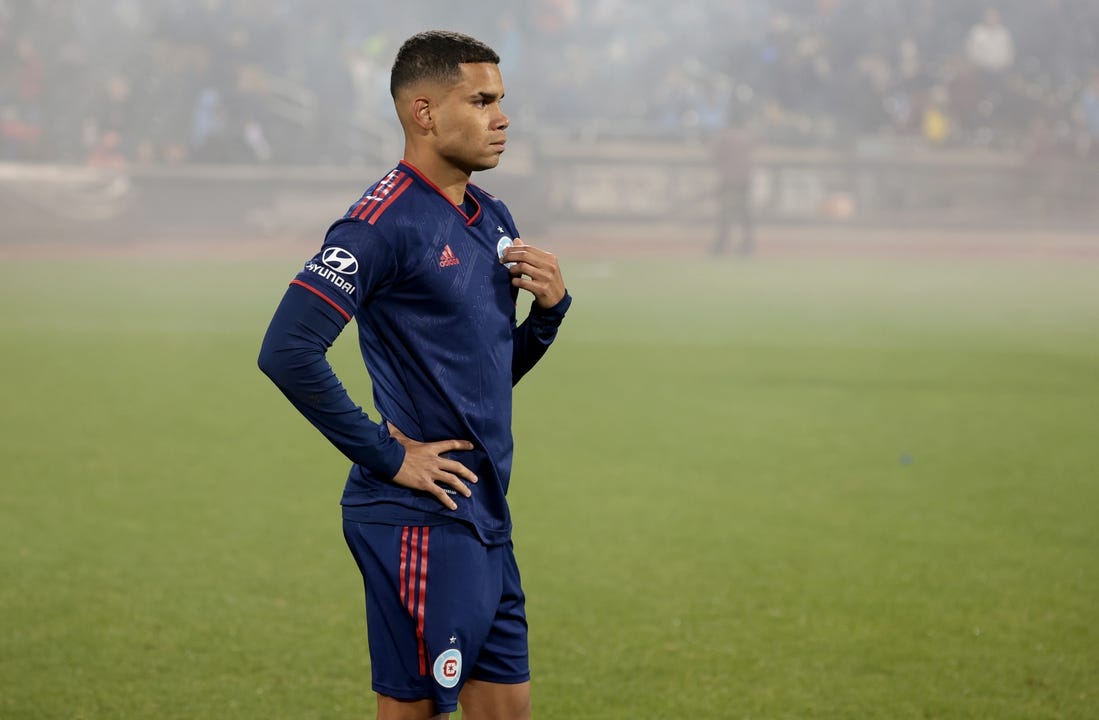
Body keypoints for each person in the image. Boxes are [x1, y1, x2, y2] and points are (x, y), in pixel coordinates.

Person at [257, 30, 571, 720]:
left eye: (501, 100)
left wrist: (547, 315)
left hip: (482, 510)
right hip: (418, 518)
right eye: (481, 100)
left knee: (506, 710)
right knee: (417, 711)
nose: (502, 117)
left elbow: (483, 375)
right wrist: (386, 455)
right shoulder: (380, 223)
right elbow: (287, 350)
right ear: (423, 112)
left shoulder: (491, 217)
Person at [710, 112, 756, 257]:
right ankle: (747, 246)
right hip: (744, 180)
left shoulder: (724, 138)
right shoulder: (747, 138)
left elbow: (716, 156)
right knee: (744, 215)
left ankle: (720, 247)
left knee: (726, 214)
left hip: (729, 180)